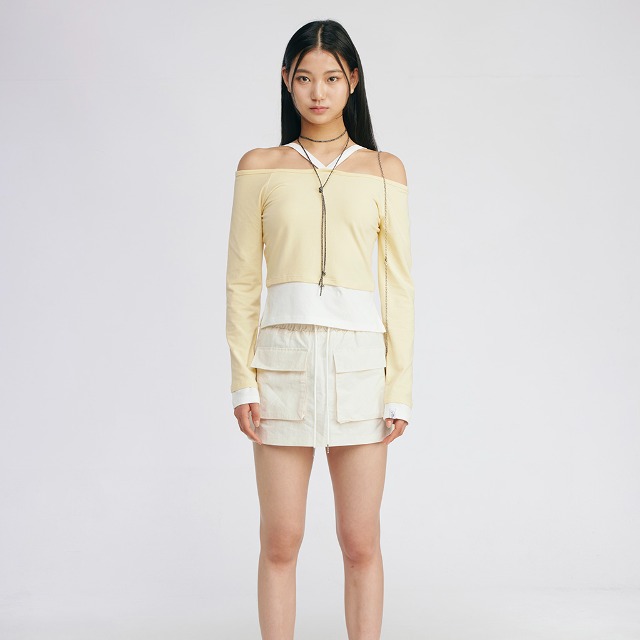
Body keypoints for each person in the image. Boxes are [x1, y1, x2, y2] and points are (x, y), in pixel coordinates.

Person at [225, 18, 414, 640]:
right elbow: (242, 282)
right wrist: (243, 381)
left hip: (360, 369)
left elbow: (398, 286)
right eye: (305, 78)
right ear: (287, 80)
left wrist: (399, 387)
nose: (318, 92)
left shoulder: (385, 170)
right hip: (280, 368)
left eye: (332, 78)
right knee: (281, 540)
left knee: (360, 542)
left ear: (352, 80)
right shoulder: (260, 166)